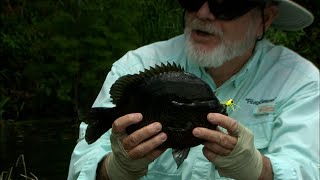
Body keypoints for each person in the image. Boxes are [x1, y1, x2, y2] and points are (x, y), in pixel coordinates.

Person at [67, 0, 319, 179]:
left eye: (225, 4)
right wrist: (114, 170)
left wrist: (259, 170)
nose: (203, 12)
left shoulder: (301, 82)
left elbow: (307, 168)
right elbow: (81, 168)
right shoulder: (136, 65)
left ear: (265, 18)